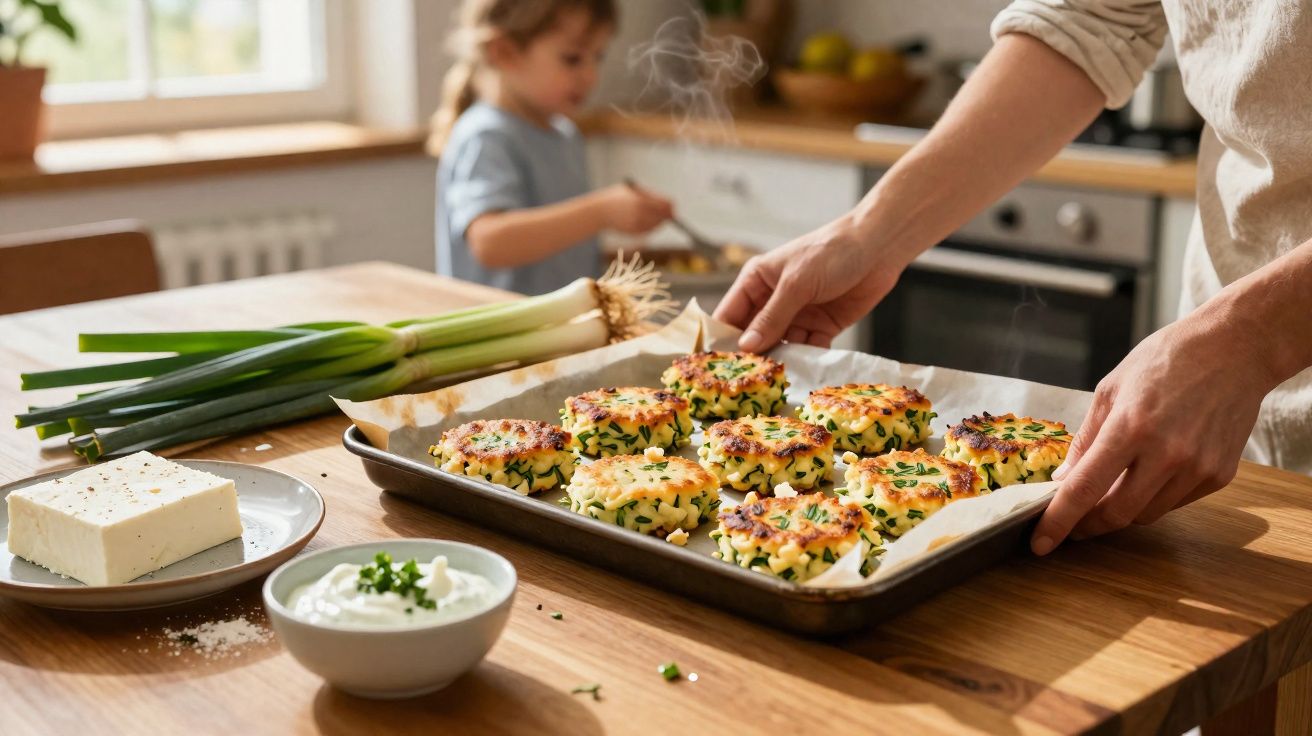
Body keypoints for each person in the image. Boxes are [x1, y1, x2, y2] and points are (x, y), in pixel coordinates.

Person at [715, 0, 1312, 556]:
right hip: (1215, 416)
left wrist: (1253, 336)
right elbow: (1088, 21)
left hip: (1235, 349)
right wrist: (871, 234)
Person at [430, 0, 674, 295]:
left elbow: (555, 249)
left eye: (597, 58)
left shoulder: (564, 135)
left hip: (559, 332)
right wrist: (601, 212)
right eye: (572, 59)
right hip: (504, 335)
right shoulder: (487, 135)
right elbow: (489, 242)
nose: (591, 76)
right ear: (503, 52)